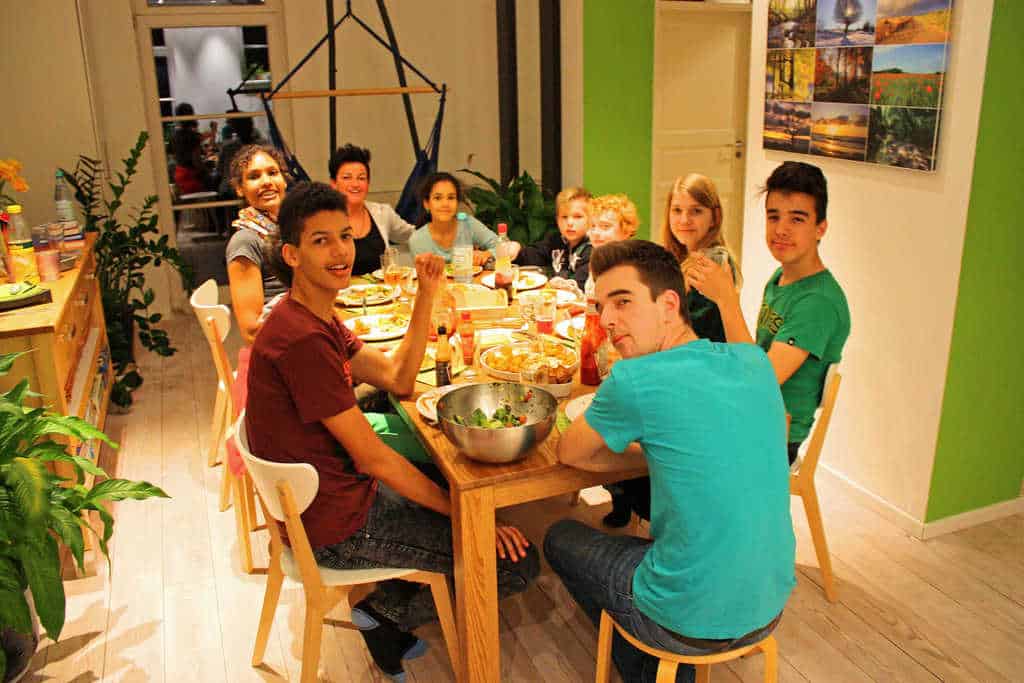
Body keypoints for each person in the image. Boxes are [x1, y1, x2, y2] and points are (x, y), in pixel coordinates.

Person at [244, 181, 539, 680]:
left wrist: (427, 294)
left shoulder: (314, 318)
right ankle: (384, 615)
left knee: (441, 467)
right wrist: (470, 517)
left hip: (335, 497)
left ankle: (394, 594)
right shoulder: (300, 341)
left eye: (344, 236)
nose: (340, 251)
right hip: (336, 526)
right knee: (516, 563)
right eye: (321, 241)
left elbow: (400, 378)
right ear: (292, 255)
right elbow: (374, 459)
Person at [544, 240, 795, 683]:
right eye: (602, 306)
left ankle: (646, 665)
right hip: (769, 605)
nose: (606, 320)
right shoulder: (753, 360)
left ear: (669, 304)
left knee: (560, 535)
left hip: (688, 619)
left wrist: (640, 449)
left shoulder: (635, 378)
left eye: (623, 302)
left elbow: (570, 452)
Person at [686, 161, 850, 465]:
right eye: (773, 216)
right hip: (751, 412)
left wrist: (727, 300)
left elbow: (758, 379)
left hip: (772, 436)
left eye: (797, 219)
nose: (781, 230)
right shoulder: (781, 277)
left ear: (820, 228)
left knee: (659, 440)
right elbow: (752, 360)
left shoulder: (818, 303)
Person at [603, 175, 744, 527]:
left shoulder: (709, 264)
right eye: (677, 210)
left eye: (695, 211)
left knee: (609, 421)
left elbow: (686, 330)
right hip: (688, 373)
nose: (684, 220)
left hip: (699, 385)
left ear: (714, 215)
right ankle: (626, 493)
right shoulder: (685, 257)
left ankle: (638, 495)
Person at [225, 144, 290, 344]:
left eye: (273, 173)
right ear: (239, 189)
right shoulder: (245, 241)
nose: (267, 182)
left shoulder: (287, 227)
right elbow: (252, 332)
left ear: (284, 180)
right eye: (254, 177)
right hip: (283, 345)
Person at [328, 143, 416, 276]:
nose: (355, 184)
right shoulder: (323, 218)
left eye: (361, 178)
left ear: (368, 183)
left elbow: (412, 235)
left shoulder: (383, 212)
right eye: (347, 178)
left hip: (382, 294)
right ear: (333, 183)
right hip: (340, 294)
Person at [408, 172, 520, 264]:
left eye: (451, 198)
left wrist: (486, 254)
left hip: (472, 287)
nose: (445, 204)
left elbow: (504, 246)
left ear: (457, 202)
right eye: (438, 198)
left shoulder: (468, 223)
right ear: (426, 204)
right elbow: (425, 280)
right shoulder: (417, 240)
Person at [516, 186, 592, 288]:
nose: (569, 223)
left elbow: (578, 284)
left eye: (577, 217)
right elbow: (532, 256)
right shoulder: (556, 240)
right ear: (557, 220)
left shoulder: (592, 249)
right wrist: (516, 250)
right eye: (564, 217)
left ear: (591, 219)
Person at [171, 102, 210, 195]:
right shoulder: (192, 136)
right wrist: (206, 171)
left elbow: (174, 155)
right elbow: (196, 160)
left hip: (179, 174)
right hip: (192, 177)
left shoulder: (175, 135)